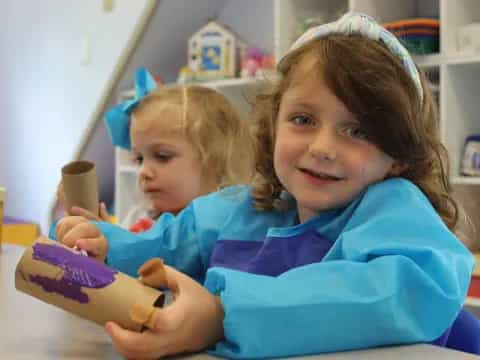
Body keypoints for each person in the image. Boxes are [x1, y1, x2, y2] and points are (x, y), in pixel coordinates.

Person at [53, 13, 474, 359]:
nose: (323, 147)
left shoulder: (394, 209)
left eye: (358, 130)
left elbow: (405, 291)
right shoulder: (245, 208)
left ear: (398, 155)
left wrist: (221, 315)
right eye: (303, 120)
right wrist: (106, 246)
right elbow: (168, 244)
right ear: (273, 127)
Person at [56, 67, 255, 232]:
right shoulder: (143, 222)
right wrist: (103, 233)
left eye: (162, 156)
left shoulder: (223, 228)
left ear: (215, 161)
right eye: (139, 159)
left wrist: (111, 241)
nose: (144, 172)